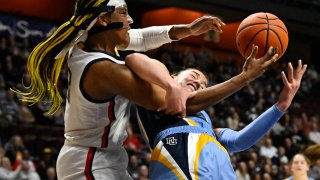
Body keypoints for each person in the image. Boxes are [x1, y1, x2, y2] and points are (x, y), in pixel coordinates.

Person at [13, 0, 278, 179]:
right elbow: (179, 103)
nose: (130, 20)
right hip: (89, 162)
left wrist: (187, 29)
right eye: (123, 13)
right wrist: (244, 78)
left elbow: (140, 38)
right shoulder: (103, 69)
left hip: (106, 157)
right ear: (104, 21)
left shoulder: (88, 41)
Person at [130, 57, 307, 179]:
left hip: (222, 169)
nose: (199, 82)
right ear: (174, 77)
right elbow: (134, 59)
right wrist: (244, 77)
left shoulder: (205, 122)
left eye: (204, 85)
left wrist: (280, 106)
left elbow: (239, 141)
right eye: (193, 75)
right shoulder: (156, 92)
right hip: (180, 158)